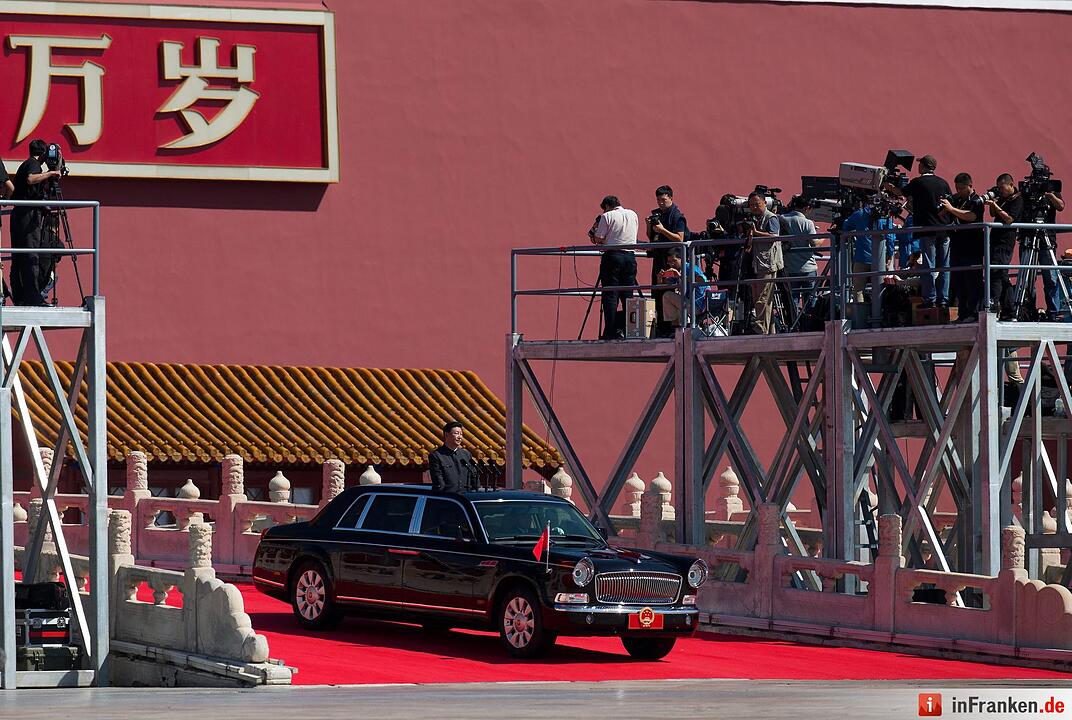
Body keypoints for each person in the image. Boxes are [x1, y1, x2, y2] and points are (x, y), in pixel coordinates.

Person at [896, 154, 952, 309]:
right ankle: (944, 299)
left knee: (928, 265)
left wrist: (887, 185)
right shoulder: (943, 183)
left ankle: (930, 299)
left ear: (924, 166)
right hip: (944, 230)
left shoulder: (918, 182)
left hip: (927, 230)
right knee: (944, 266)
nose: (918, 166)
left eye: (920, 164)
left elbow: (901, 192)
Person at [10, 139, 61, 307]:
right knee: (31, 256)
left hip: (19, 215)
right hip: (28, 216)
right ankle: (32, 297)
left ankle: (19, 296)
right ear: (43, 154)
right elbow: (31, 179)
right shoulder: (33, 165)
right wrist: (51, 174)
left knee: (19, 257)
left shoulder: (24, 164)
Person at [588, 195, 638, 340]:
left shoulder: (607, 216)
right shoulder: (632, 214)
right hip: (630, 257)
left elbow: (599, 238)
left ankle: (610, 331)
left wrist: (594, 231)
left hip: (613, 256)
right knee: (628, 295)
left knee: (610, 294)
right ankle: (629, 329)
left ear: (607, 206)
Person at [938, 172, 985, 322]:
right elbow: (943, 215)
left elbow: (971, 216)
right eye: (956, 188)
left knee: (972, 281)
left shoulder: (977, 201)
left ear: (970, 186)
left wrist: (951, 209)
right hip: (958, 245)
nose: (958, 191)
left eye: (961, 188)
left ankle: (973, 312)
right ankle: (962, 313)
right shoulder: (957, 200)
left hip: (972, 246)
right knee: (959, 281)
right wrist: (944, 208)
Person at [645, 185, 687, 337]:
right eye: (658, 200)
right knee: (657, 291)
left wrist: (662, 229)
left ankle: (670, 328)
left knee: (668, 291)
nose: (660, 203)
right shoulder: (658, 215)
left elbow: (680, 238)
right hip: (658, 258)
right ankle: (660, 328)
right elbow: (651, 238)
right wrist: (649, 226)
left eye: (663, 200)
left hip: (672, 259)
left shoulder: (677, 216)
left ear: (671, 198)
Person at [1019, 187, 1066, 320]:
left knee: (1051, 277)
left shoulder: (1052, 191)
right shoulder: (1027, 191)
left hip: (1047, 240)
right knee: (1027, 278)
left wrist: (1050, 196)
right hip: (1028, 237)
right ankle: (1028, 311)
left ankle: (1053, 312)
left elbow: (1061, 206)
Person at [986, 173, 1024, 319]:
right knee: (1002, 275)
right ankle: (1009, 310)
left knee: (996, 273)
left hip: (1005, 242)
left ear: (1011, 184)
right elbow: (992, 213)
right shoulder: (1003, 198)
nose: (1000, 191)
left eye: (1002, 188)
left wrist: (995, 204)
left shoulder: (1017, 199)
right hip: (995, 240)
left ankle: (993, 305)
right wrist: (994, 201)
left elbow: (1009, 219)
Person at [842, 204, 897, 303]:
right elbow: (890, 237)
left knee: (858, 290)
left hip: (861, 257)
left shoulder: (860, 214)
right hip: (879, 259)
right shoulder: (885, 217)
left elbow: (846, 226)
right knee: (879, 289)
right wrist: (889, 255)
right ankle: (879, 314)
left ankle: (860, 315)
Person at [744, 192, 781, 334]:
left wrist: (756, 233)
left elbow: (774, 236)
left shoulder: (771, 217)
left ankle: (760, 330)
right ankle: (770, 332)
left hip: (768, 264)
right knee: (762, 300)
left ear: (765, 203)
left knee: (762, 299)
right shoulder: (755, 219)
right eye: (751, 205)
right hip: (758, 264)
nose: (754, 207)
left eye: (757, 204)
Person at [779, 195, 821, 315]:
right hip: (808, 267)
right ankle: (809, 325)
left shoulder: (782, 219)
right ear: (807, 208)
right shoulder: (807, 223)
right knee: (811, 301)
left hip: (790, 267)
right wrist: (822, 237)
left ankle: (794, 325)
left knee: (793, 301)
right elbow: (815, 244)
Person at [658, 248, 707, 326]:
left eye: (674, 261)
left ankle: (676, 328)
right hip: (689, 303)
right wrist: (660, 277)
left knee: (667, 296)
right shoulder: (676, 271)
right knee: (669, 297)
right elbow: (662, 286)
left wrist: (681, 276)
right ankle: (678, 328)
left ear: (682, 259)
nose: (671, 264)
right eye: (669, 262)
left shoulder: (690, 267)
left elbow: (702, 280)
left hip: (699, 305)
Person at [428, 420, 475, 493]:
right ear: (446, 435)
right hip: (448, 498)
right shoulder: (437, 455)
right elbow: (438, 481)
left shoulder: (466, 454)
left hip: (466, 497)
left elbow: (474, 477)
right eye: (456, 433)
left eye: (461, 434)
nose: (460, 437)